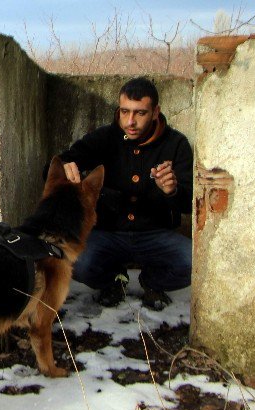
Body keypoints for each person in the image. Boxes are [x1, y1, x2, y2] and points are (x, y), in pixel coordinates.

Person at [56, 76, 193, 311]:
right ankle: (113, 281)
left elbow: (191, 204)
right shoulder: (104, 138)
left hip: (156, 234)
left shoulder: (176, 143)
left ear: (155, 112)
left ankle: (153, 282)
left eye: (140, 113)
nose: (130, 121)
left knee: (195, 263)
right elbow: (58, 165)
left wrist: (172, 191)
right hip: (107, 233)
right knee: (74, 260)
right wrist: (63, 169)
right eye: (124, 111)